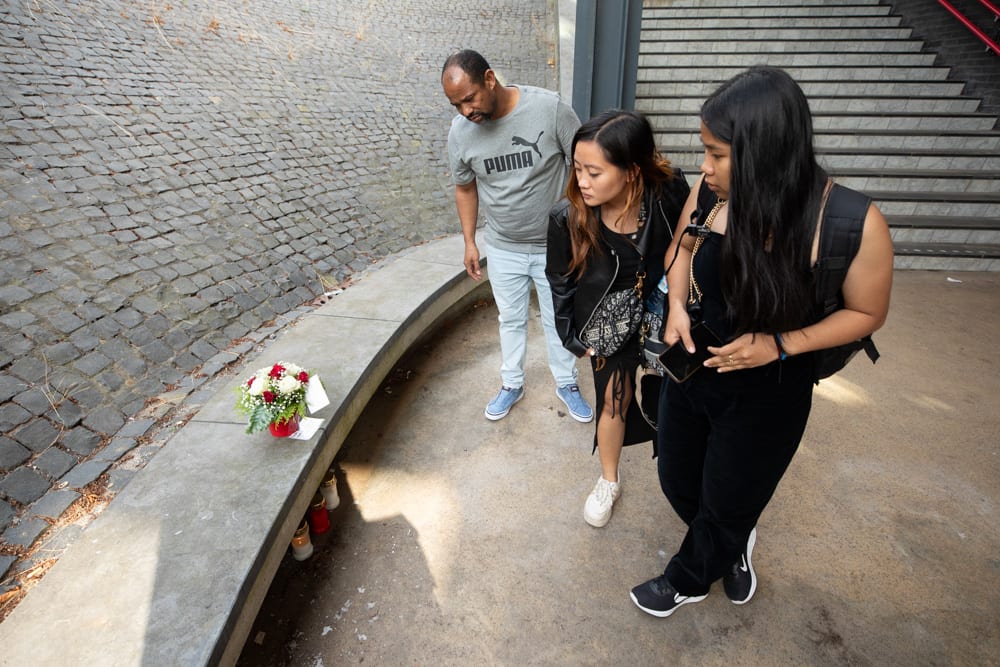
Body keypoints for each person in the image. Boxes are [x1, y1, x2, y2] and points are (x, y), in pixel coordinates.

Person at [630, 66, 894, 616]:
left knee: (729, 499)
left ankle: (690, 577)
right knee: (677, 479)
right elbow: (680, 250)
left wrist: (779, 345)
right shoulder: (710, 193)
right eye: (704, 151)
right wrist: (676, 306)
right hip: (694, 369)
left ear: (765, 153)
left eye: (717, 154)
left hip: (771, 391)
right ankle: (728, 542)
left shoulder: (850, 221)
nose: (704, 167)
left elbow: (867, 313)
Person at [546, 110, 690, 527]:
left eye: (594, 172)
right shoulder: (567, 216)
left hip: (664, 310)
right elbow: (560, 280)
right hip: (608, 319)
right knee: (613, 400)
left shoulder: (669, 191)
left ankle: (687, 474)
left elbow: (690, 243)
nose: (582, 182)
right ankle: (608, 479)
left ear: (632, 171)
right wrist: (570, 335)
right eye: (577, 169)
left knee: (677, 399)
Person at [441, 49, 593, 423]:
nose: (465, 111)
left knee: (558, 318)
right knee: (510, 319)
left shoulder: (549, 109)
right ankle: (512, 383)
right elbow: (465, 188)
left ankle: (566, 381)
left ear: (489, 79)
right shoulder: (461, 133)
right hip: (503, 246)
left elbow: (584, 164)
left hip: (555, 246)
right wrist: (470, 242)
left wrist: (582, 226)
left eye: (469, 99)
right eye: (456, 105)